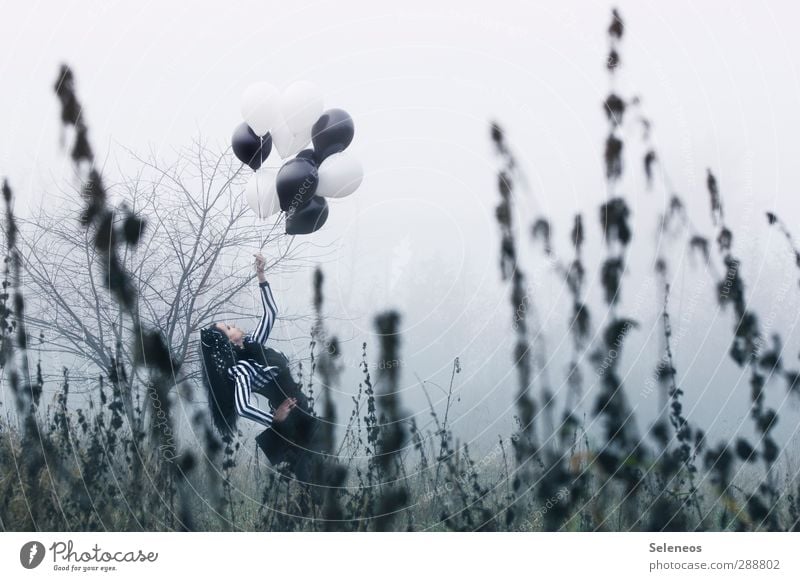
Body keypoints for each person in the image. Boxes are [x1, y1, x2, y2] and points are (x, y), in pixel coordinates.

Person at [198, 252, 317, 481]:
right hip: (291, 419)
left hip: (301, 410)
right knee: (310, 476)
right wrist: (274, 419)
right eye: (229, 327)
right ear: (229, 341)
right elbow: (242, 407)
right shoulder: (242, 369)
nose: (234, 325)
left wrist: (261, 275)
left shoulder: (253, 345)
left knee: (318, 470)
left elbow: (271, 313)